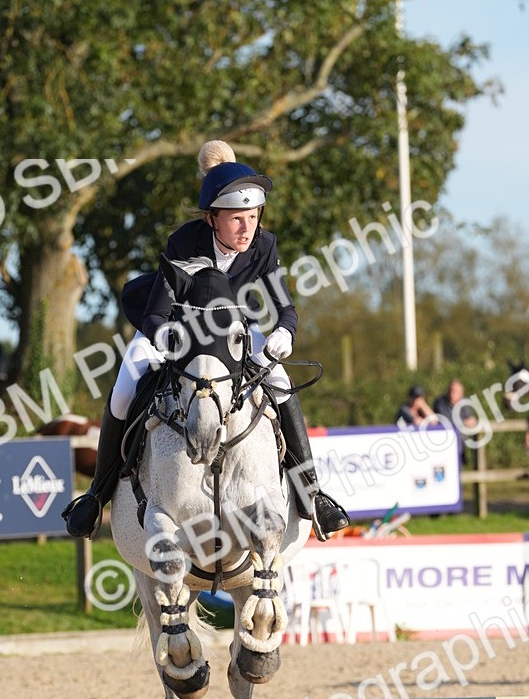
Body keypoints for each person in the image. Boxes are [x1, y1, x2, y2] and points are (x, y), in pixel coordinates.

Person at [63, 140, 350, 541]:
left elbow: (285, 308)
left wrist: (285, 332)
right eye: (236, 219)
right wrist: (164, 336)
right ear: (213, 218)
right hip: (178, 331)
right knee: (125, 389)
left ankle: (312, 494)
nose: (247, 228)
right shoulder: (185, 242)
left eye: (253, 217)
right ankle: (96, 497)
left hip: (235, 333)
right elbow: (157, 311)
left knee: (282, 384)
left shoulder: (264, 245)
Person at [433, 379, 476, 464]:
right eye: (451, 390)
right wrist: (462, 424)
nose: (452, 393)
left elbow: (470, 420)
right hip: (443, 443)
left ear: (461, 393)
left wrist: (471, 422)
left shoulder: (464, 404)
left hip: (460, 444)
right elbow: (444, 421)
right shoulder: (440, 403)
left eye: (455, 391)